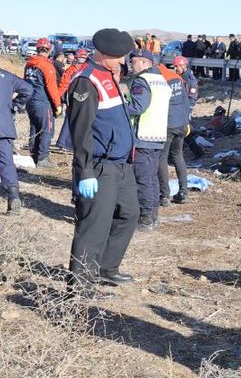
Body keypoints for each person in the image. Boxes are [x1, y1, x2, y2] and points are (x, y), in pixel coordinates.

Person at [59, 28, 138, 292]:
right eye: (118, 57)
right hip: (100, 166)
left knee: (129, 214)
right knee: (94, 225)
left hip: (121, 164)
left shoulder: (110, 75)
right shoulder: (86, 81)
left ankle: (106, 268)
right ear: (102, 54)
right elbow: (81, 131)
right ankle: (80, 286)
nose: (122, 62)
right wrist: (86, 170)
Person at [127, 50, 171, 231]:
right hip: (158, 134)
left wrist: (120, 107)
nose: (131, 65)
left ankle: (145, 217)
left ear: (145, 63)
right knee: (151, 178)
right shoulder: (162, 81)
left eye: (134, 61)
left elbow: (138, 106)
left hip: (142, 136)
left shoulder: (142, 81)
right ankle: (152, 214)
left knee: (142, 179)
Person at [157, 61, 192, 205]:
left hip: (168, 124)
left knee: (162, 158)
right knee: (178, 156)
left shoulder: (159, 80)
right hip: (182, 123)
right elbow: (186, 100)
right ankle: (184, 191)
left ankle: (164, 195)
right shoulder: (177, 78)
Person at [24, 37, 62, 168]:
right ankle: (43, 159)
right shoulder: (46, 65)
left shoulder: (29, 64)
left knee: (34, 128)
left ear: (37, 48)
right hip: (42, 101)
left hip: (30, 101)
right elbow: (52, 87)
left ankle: (33, 155)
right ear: (49, 49)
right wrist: (57, 105)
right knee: (47, 129)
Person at [0, 69, 32, 215]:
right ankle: (13, 196)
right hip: (4, 125)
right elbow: (28, 89)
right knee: (6, 162)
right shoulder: (7, 75)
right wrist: (15, 105)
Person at [172, 56, 204, 160]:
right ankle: (197, 152)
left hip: (185, 109)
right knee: (184, 132)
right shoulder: (181, 76)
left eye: (176, 67)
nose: (175, 69)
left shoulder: (189, 79)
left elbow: (192, 96)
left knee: (184, 132)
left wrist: (187, 111)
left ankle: (197, 152)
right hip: (180, 108)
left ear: (183, 66)